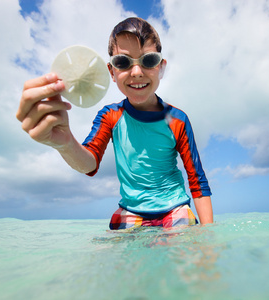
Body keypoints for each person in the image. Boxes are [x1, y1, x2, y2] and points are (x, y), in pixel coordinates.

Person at [16, 17, 213, 230]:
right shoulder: (110, 115)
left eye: (148, 60)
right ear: (111, 71)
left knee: (184, 251)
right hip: (132, 210)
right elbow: (89, 163)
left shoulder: (177, 120)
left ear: (161, 67)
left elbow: (197, 181)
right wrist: (64, 144)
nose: (137, 72)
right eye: (123, 62)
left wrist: (209, 241)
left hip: (175, 207)